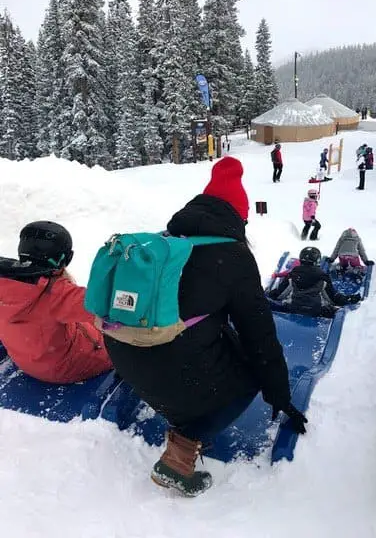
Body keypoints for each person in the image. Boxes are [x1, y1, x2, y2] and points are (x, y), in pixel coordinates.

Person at [103, 157, 307, 497]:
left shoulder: (164, 241)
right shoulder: (234, 257)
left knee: (206, 336)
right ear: (238, 218)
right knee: (249, 376)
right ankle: (181, 453)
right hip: (170, 368)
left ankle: (173, 400)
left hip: (124, 353)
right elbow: (261, 339)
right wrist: (279, 394)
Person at [0, 221, 113, 384]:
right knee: (117, 344)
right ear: (67, 257)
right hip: (62, 368)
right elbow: (104, 309)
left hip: (24, 359)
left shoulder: (6, 279)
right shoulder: (56, 293)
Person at [267, 247, 361, 318]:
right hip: (315, 311)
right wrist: (348, 299)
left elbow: (280, 294)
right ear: (317, 261)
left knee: (278, 304)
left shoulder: (293, 274)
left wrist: (268, 295)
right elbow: (332, 298)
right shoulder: (322, 276)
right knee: (337, 311)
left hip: (294, 308)